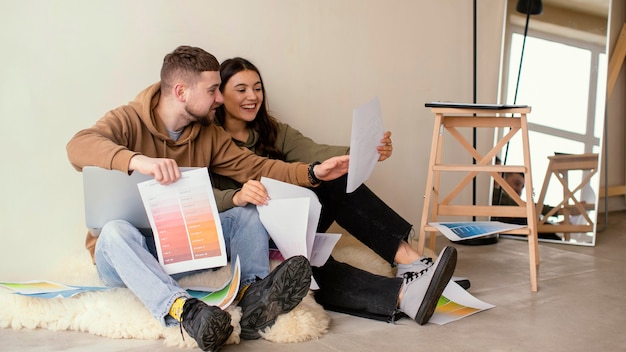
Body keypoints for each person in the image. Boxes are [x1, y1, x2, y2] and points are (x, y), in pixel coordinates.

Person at [66, 46, 351, 351]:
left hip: (184, 246)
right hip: (128, 258)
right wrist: (138, 161)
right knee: (113, 232)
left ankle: (253, 296)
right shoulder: (128, 119)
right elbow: (78, 145)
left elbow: (258, 167)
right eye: (213, 89)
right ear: (181, 91)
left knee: (247, 213)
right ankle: (185, 312)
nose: (219, 98)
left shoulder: (208, 134)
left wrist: (312, 172)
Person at [209, 56, 458, 324]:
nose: (252, 96)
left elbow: (317, 153)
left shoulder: (272, 130)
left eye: (257, 88)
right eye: (241, 89)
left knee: (334, 178)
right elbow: (204, 198)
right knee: (305, 268)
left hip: (290, 222)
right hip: (252, 234)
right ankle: (400, 295)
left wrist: (365, 152)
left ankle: (411, 262)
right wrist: (236, 197)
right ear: (220, 94)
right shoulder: (210, 140)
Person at [492, 172, 562, 240]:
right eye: (516, 184)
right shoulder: (495, 194)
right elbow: (525, 207)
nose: (519, 189)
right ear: (502, 180)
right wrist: (557, 212)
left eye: (522, 187)